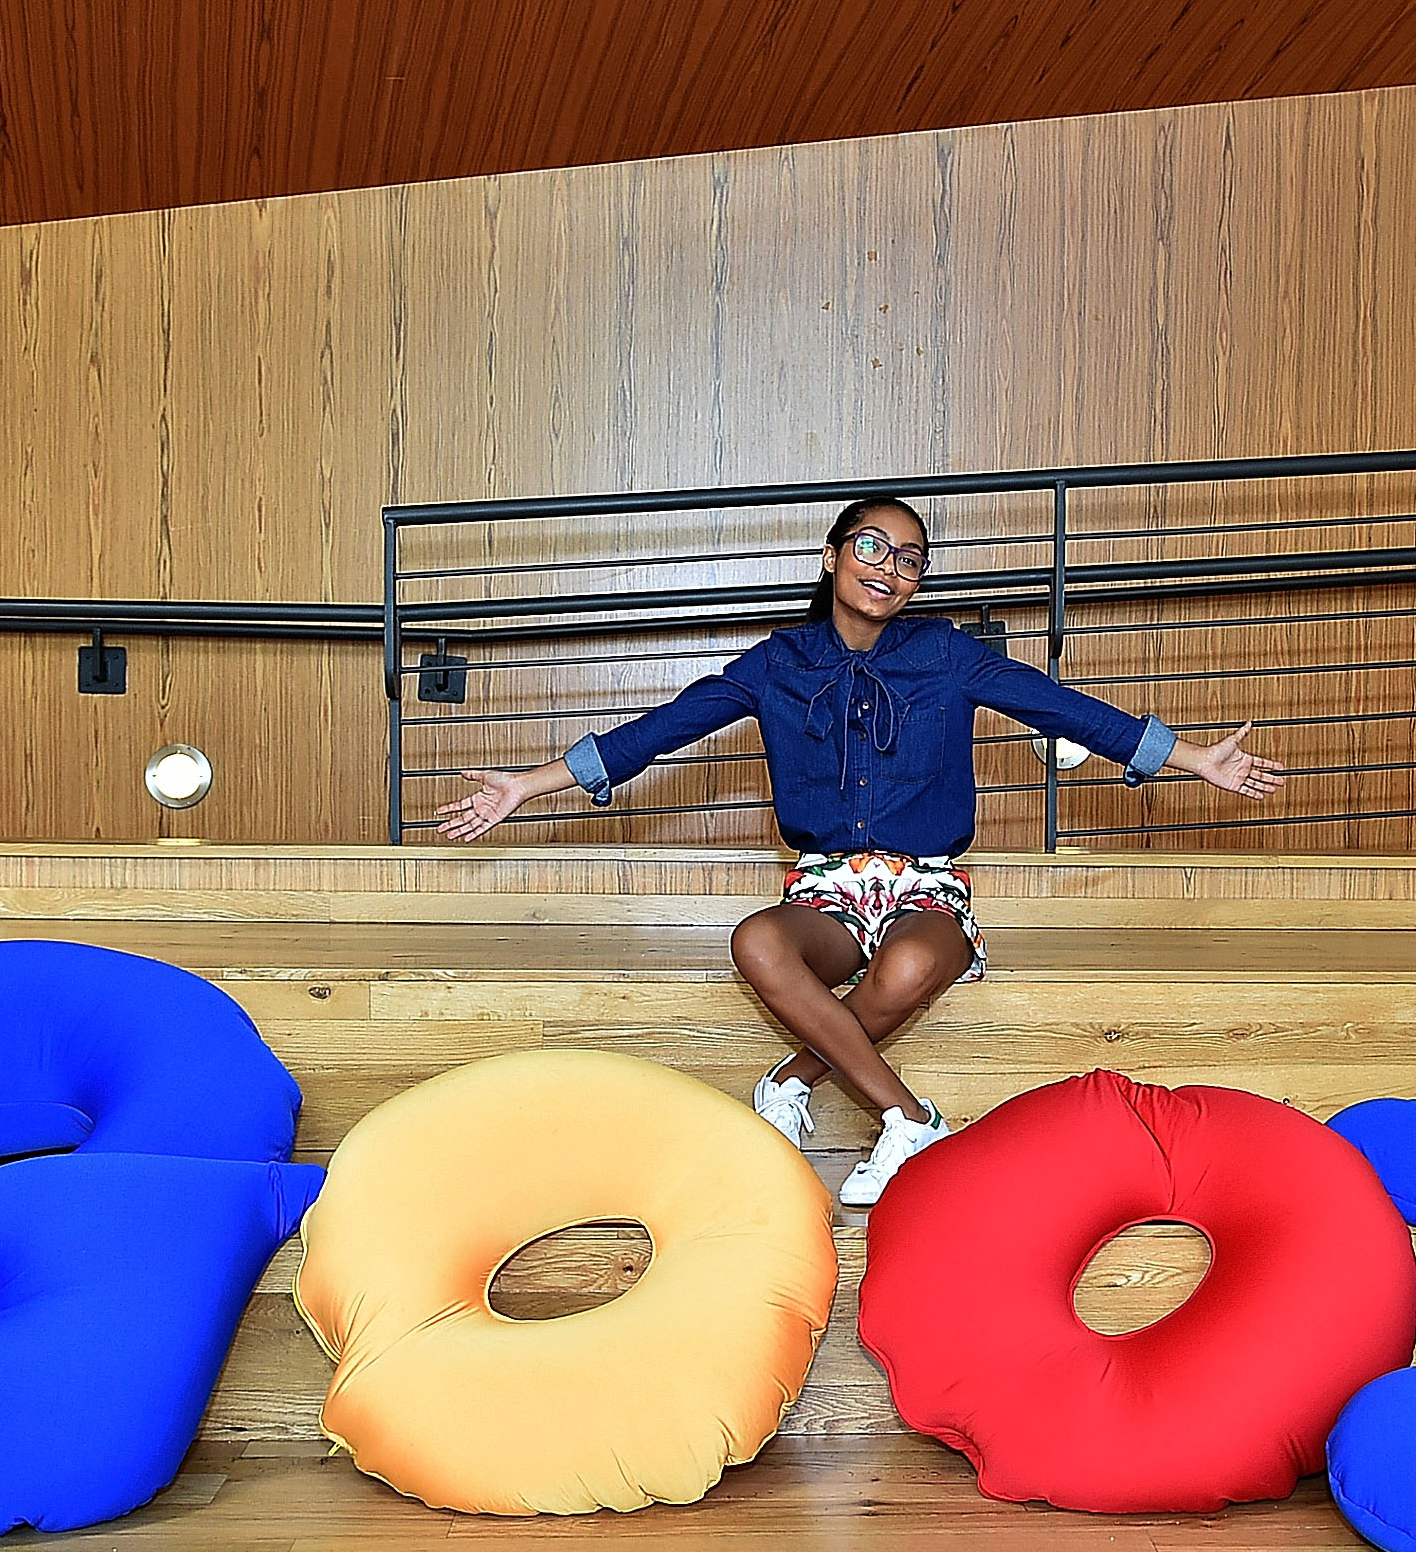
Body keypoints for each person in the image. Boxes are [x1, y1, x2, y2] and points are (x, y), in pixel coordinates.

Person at [439, 495, 1286, 1204]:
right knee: (757, 941)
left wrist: (1194, 759)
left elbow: (1064, 708)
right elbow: (660, 731)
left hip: (926, 884)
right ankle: (911, 1117)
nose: (889, 567)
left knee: (914, 967)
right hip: (826, 890)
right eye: (872, 546)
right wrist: (524, 786)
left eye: (911, 558)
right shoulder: (779, 663)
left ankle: (793, 1080)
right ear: (832, 554)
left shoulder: (947, 655)